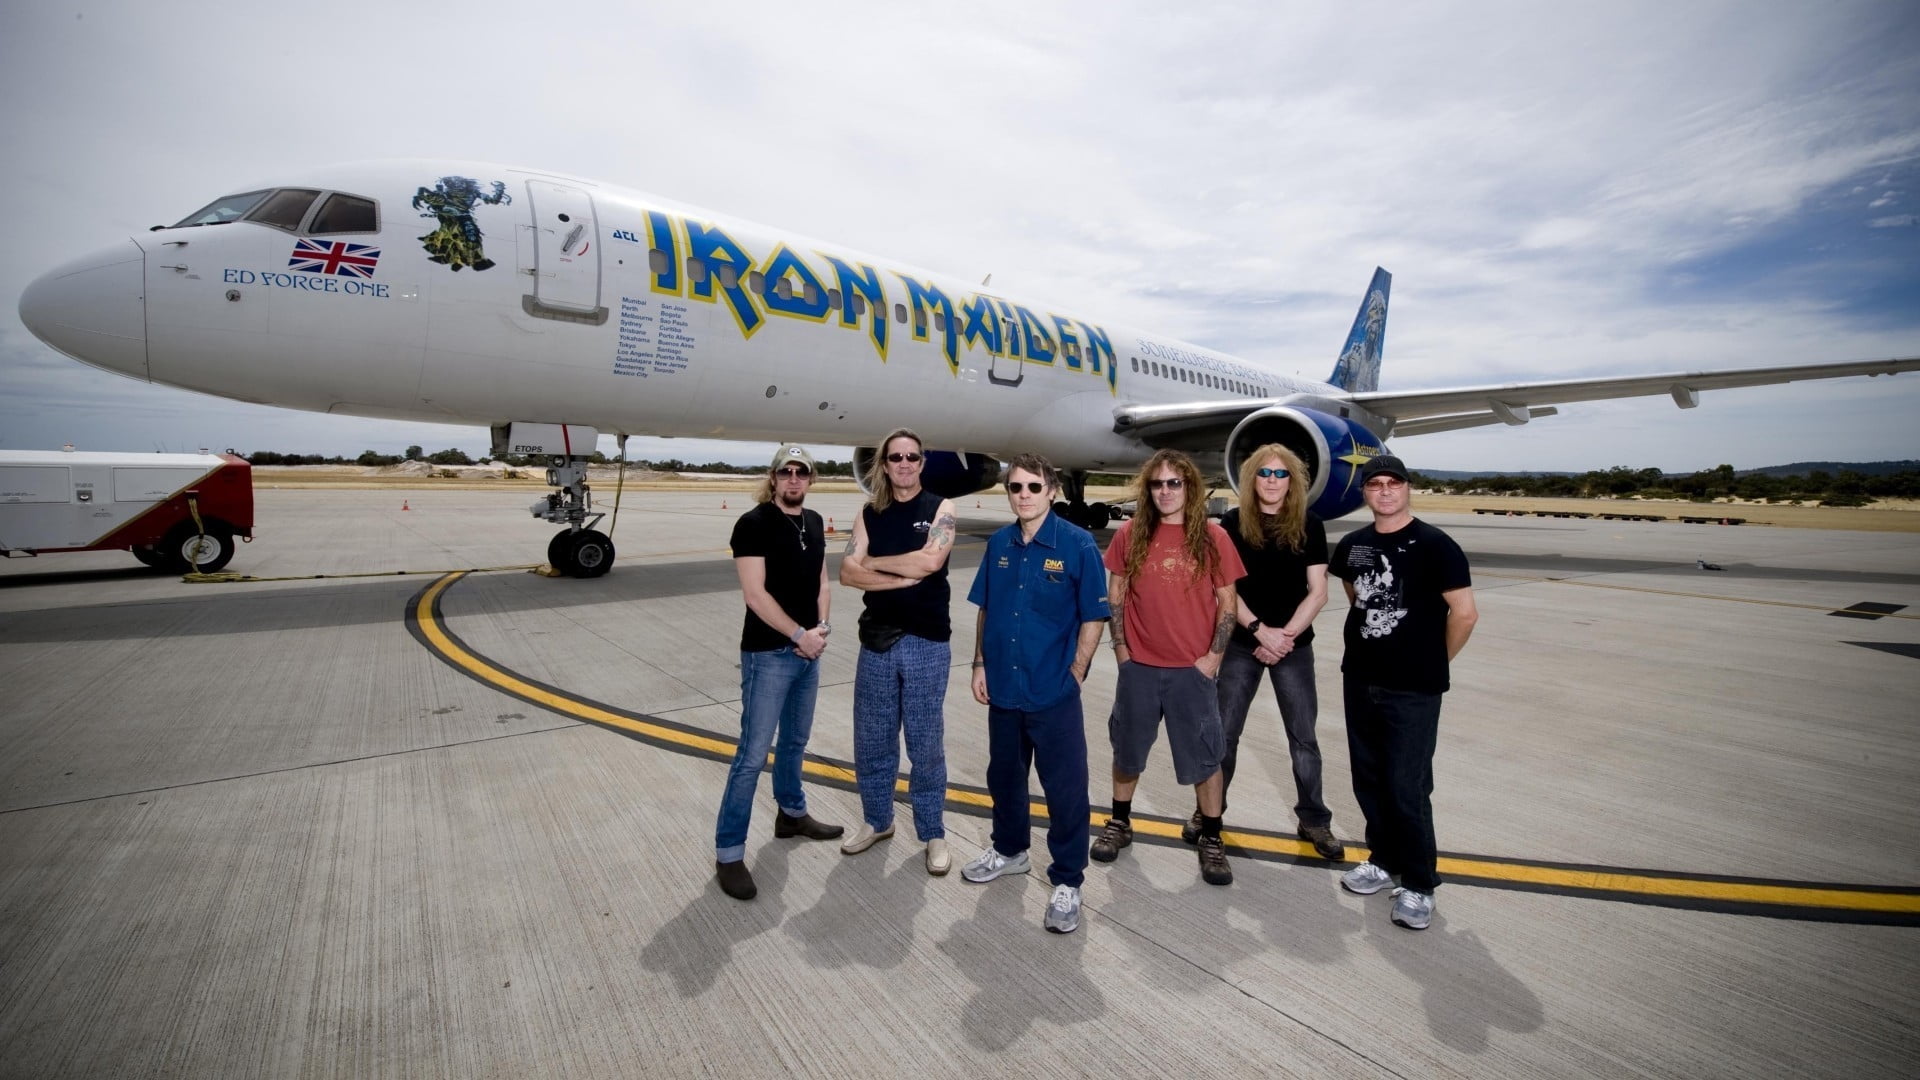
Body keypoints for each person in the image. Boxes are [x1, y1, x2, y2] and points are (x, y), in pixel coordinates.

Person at [963, 454, 1110, 933]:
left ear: (1052, 491)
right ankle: (1010, 851)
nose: (1022, 495)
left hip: (1053, 691)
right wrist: (979, 662)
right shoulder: (1000, 543)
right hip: (1003, 687)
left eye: (1032, 487)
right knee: (1004, 779)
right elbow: (987, 608)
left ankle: (1068, 880)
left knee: (1065, 791)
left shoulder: (1077, 544)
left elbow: (1094, 615)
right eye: (1015, 487)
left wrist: (1077, 672)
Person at [1330, 454, 1477, 931]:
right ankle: (1383, 858)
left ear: (1408, 489)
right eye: (1376, 484)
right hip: (1361, 679)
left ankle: (1418, 883)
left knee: (1407, 785)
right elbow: (1357, 596)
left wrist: (1435, 661)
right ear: (1366, 493)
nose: (1386, 491)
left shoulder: (1436, 545)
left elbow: (1465, 613)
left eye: (1394, 483)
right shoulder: (1353, 545)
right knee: (1369, 778)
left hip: (1413, 689)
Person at [1095, 449, 1246, 886]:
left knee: (1205, 757)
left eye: (1174, 483)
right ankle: (1120, 823)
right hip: (1139, 667)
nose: (1165, 491)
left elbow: (1228, 604)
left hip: (1191, 671)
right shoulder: (1130, 534)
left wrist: (1212, 658)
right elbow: (1116, 595)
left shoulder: (1213, 538)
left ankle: (1212, 837)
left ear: (1190, 488)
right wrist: (1122, 650)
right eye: (1157, 484)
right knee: (1127, 749)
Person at [1187, 444, 1344, 861]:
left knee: (1303, 737)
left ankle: (1314, 818)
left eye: (1281, 474)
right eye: (1265, 473)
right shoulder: (1234, 523)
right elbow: (1226, 590)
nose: (1272, 481)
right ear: (1251, 479)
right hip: (1242, 643)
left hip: (1293, 646)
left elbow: (1319, 591)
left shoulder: (1310, 523)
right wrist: (1260, 631)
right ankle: (1208, 814)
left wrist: (1283, 637)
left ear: (1292, 481)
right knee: (1225, 735)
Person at [713, 444, 843, 901]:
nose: (793, 479)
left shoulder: (812, 521)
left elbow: (822, 582)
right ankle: (728, 854)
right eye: (785, 472)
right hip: (770, 654)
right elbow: (755, 595)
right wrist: (798, 635)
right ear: (773, 479)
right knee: (752, 755)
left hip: (809, 650)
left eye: (801, 472)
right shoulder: (753, 524)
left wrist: (821, 627)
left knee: (795, 741)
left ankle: (791, 813)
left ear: (810, 479)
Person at [839, 428, 957, 874]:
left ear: (922, 463)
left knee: (925, 744)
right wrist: (895, 576)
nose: (904, 464)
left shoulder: (941, 508)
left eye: (912, 457)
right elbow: (847, 574)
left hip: (927, 641)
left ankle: (933, 832)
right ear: (884, 465)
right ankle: (877, 821)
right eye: (895, 458)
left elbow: (930, 562)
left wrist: (872, 562)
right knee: (872, 740)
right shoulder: (869, 513)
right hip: (877, 641)